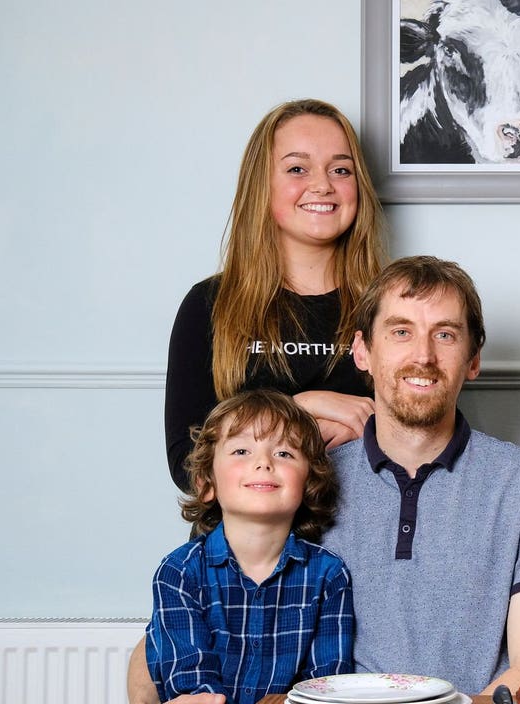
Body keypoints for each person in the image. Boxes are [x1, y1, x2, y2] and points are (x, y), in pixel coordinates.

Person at [321, 255, 520, 694]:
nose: (424, 356)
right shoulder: (312, 480)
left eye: (445, 334)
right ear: (363, 351)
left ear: (473, 360)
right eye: (401, 332)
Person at [163, 98, 386, 492]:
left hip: (370, 526)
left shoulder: (391, 305)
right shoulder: (208, 305)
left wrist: (372, 430)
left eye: (341, 170)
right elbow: (189, 467)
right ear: (261, 185)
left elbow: (431, 441)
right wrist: (302, 408)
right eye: (298, 168)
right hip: (247, 532)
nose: (323, 185)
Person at [146, 389, 353, 704]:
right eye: (241, 450)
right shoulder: (178, 573)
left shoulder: (330, 575)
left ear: (308, 484)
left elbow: (326, 686)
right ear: (207, 484)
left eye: (284, 453)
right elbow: (193, 685)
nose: (263, 462)